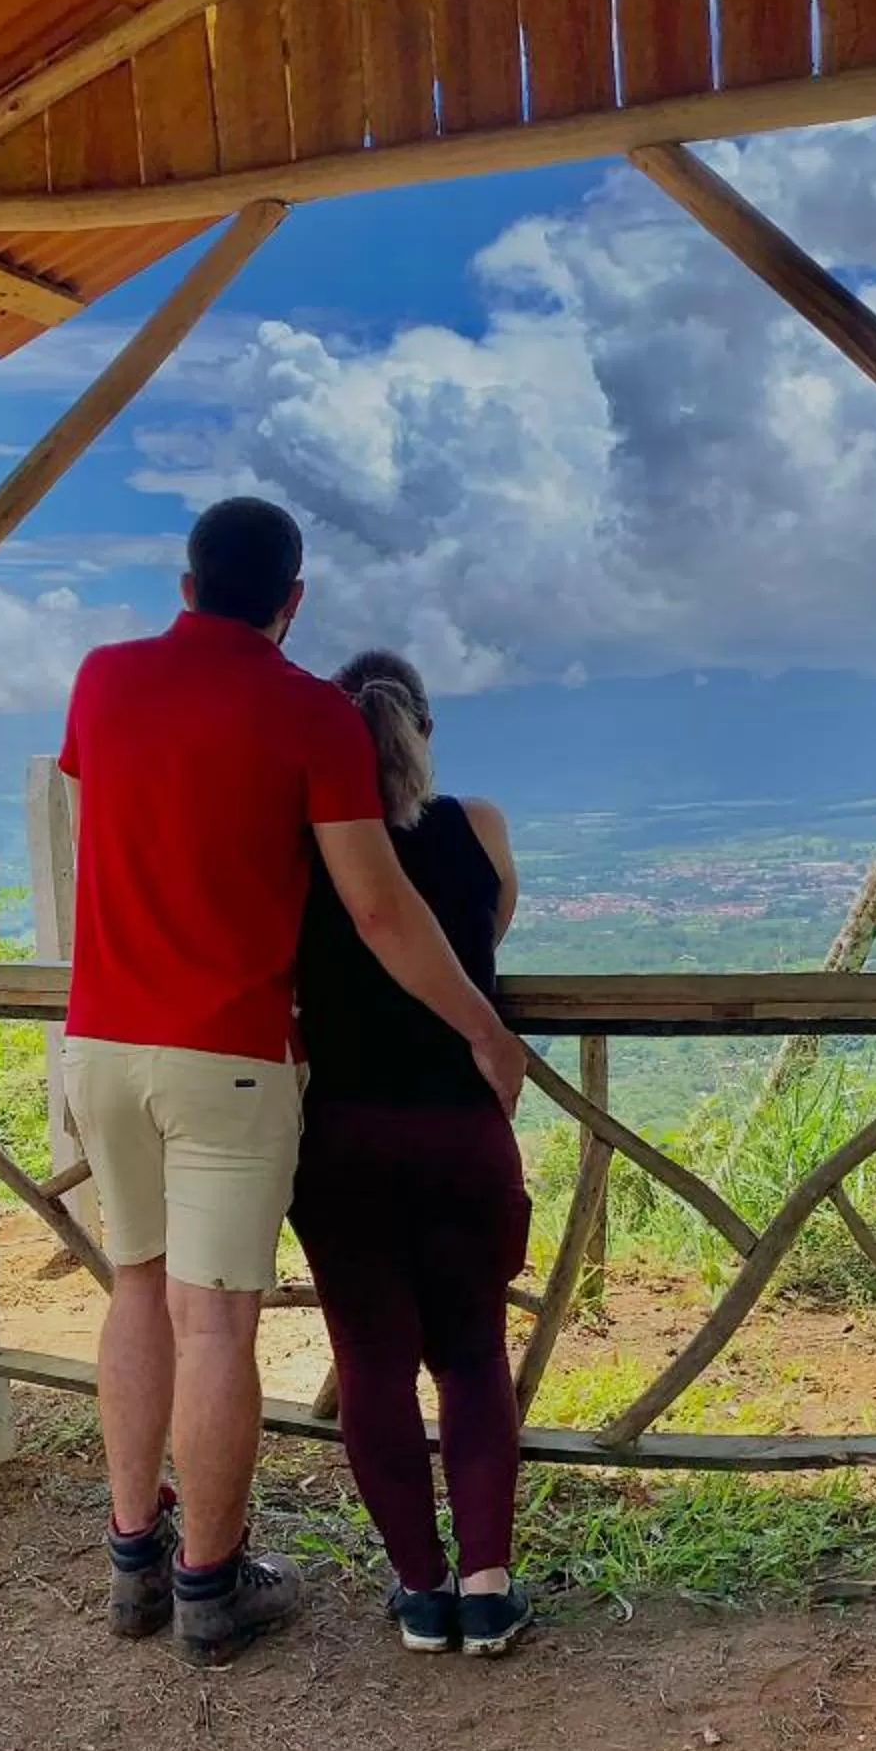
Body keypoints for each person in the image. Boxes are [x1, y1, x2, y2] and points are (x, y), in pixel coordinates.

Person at [59, 503, 524, 1667]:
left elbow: (106, 823)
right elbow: (380, 908)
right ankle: (209, 1586)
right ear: (293, 600)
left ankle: (132, 1555)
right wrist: (486, 1029)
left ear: (185, 584)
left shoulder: (101, 680)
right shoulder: (310, 712)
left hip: (99, 1040)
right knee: (215, 1319)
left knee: (135, 1288)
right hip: (227, 1050)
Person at [289, 650, 537, 1658]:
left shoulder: (303, 846)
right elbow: (491, 932)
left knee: (373, 1366)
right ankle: (488, 1586)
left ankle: (420, 1588)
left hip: (344, 1137)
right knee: (473, 1356)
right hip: (462, 1132)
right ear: (425, 731)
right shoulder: (480, 825)